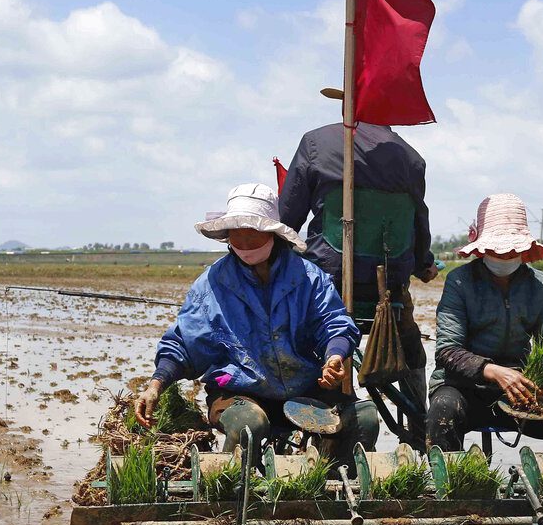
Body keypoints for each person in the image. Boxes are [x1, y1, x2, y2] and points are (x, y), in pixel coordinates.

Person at [134, 183, 379, 470]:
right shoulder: (212, 285)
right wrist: (155, 385)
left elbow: (334, 323)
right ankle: (231, 491)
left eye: (252, 235)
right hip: (240, 392)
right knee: (250, 424)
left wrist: (334, 356)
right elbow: (184, 344)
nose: (245, 245)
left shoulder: (309, 278)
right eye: (237, 237)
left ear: (271, 234)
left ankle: (334, 483)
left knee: (364, 418)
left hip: (304, 387)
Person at [278, 88, 437, 413]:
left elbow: (286, 220)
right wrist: (424, 264)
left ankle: (295, 399)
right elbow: (419, 224)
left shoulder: (315, 143)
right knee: (411, 343)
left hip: (327, 289)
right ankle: (420, 419)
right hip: (388, 293)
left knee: (284, 323)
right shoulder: (412, 159)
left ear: (348, 106)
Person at [427, 193, 543, 454]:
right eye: (497, 249)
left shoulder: (540, 285)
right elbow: (447, 351)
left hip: (520, 394)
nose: (504, 255)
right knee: (443, 411)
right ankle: (448, 490)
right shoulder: (459, 282)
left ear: (523, 249)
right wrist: (496, 372)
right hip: (465, 391)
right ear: (481, 247)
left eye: (512, 249)